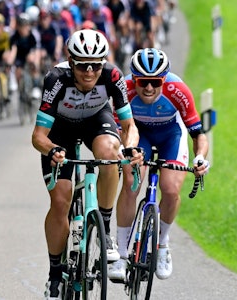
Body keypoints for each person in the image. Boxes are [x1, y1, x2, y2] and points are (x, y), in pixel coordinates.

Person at [31, 29, 143, 299]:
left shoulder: (112, 76)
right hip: (61, 129)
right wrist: (53, 149)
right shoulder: (56, 79)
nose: (90, 71)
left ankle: (104, 228)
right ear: (71, 62)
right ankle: (55, 273)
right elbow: (38, 137)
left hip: (96, 120)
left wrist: (130, 148)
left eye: (96, 64)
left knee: (109, 151)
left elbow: (129, 126)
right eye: (82, 65)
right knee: (60, 202)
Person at [108, 48, 210, 281]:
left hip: (170, 136)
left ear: (165, 80)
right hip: (138, 135)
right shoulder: (124, 90)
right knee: (131, 184)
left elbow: (198, 135)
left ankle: (162, 245)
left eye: (156, 82)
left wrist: (201, 157)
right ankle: (122, 256)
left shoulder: (178, 90)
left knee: (171, 189)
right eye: (143, 81)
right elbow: (117, 130)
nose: (149, 88)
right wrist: (123, 151)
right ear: (134, 79)